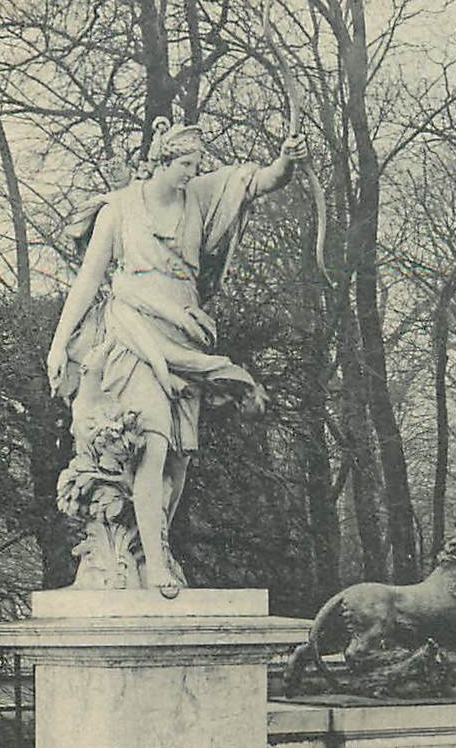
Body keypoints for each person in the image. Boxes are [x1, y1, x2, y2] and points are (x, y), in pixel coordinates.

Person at [47, 118, 302, 591]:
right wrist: (60, 342)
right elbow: (88, 281)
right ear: (162, 161)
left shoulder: (198, 197)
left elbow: (258, 181)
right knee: (153, 443)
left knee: (180, 460)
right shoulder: (121, 209)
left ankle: (152, 548)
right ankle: (156, 570)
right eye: (185, 164)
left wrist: (286, 160)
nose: (191, 172)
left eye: (196, 165)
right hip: (135, 335)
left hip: (187, 339)